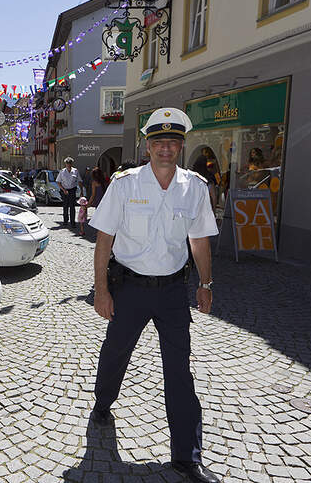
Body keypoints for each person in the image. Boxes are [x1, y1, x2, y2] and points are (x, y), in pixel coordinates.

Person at [88, 107, 221, 483]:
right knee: (116, 352)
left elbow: (199, 241)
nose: (166, 148)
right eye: (159, 142)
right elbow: (103, 242)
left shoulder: (194, 187)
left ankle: (186, 457)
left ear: (181, 146)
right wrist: (102, 291)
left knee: (179, 370)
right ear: (148, 145)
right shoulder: (125, 184)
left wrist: (206, 284)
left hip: (173, 293)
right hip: (129, 289)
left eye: (173, 142)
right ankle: (102, 402)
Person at [56, 157, 81, 227]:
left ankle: (73, 222)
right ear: (65, 164)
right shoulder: (62, 171)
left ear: (71, 164)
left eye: (70, 163)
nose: (69, 165)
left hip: (72, 190)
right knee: (65, 206)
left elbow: (79, 180)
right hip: (64, 190)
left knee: (72, 207)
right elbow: (58, 182)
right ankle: (65, 221)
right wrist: (64, 190)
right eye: (67, 163)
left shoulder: (75, 171)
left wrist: (81, 190)